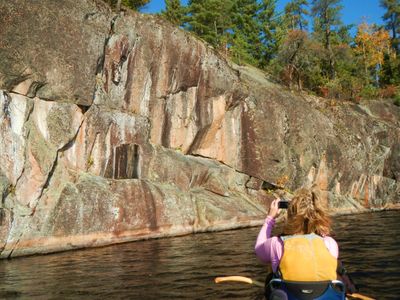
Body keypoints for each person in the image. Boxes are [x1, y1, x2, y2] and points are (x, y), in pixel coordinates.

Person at [255, 186, 344, 298]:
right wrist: (320, 226)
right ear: (319, 215)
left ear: (291, 215)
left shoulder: (276, 244)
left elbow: (259, 249)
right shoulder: (329, 244)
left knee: (271, 276)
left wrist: (269, 219)